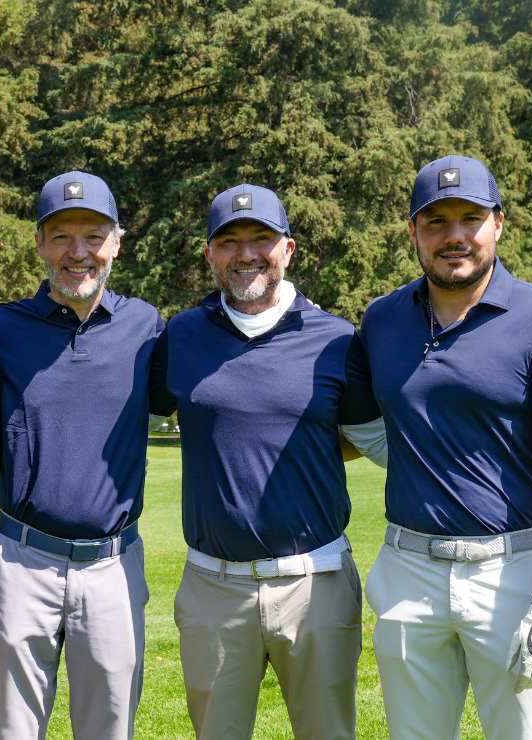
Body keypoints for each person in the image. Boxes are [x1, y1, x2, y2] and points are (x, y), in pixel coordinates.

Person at [359, 154, 532, 739]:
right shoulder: (382, 320)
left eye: (471, 218)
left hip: (511, 573)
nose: (455, 236)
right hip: (408, 569)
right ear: (414, 232)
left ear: (498, 224)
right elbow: (357, 428)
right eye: (436, 222)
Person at [152, 184, 384, 739]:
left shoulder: (335, 339)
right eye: (229, 241)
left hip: (316, 584)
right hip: (212, 585)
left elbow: (370, 440)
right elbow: (128, 420)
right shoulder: (182, 335)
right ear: (209, 254)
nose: (246, 253)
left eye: (261, 238)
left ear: (288, 249)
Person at [0, 171, 165, 739]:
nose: (77, 252)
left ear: (116, 244)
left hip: (112, 565)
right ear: (39, 243)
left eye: (93, 236)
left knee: (109, 728)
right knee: (12, 730)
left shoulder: (146, 327)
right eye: (61, 236)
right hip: (21, 560)